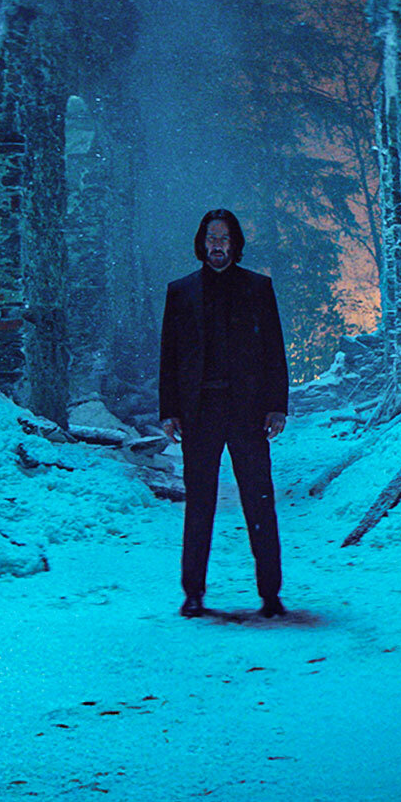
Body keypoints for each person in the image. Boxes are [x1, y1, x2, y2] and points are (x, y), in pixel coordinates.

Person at [158, 208, 288, 620]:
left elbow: (274, 349)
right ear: (202, 243)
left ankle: (270, 594)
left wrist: (277, 405)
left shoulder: (258, 288)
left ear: (235, 244)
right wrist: (169, 411)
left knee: (259, 500)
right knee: (199, 505)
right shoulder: (180, 292)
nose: (218, 245)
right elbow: (169, 356)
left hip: (248, 411)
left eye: (224, 238)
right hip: (200, 412)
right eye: (212, 238)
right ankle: (193, 593)